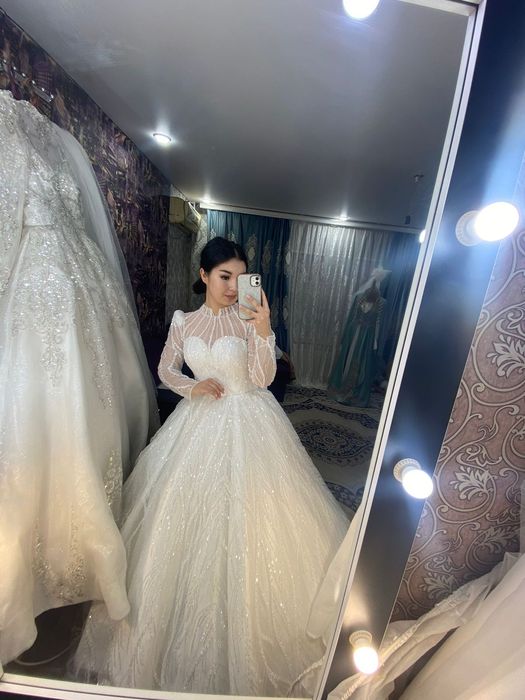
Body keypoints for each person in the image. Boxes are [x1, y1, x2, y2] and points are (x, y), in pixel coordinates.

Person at [72, 237, 348, 696]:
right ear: (203, 275)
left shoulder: (248, 319)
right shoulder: (184, 321)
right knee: (177, 518)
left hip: (251, 420)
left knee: (259, 519)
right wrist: (191, 388)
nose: (232, 286)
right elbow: (166, 370)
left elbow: (262, 379)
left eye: (240, 277)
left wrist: (263, 330)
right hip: (197, 423)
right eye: (224, 276)